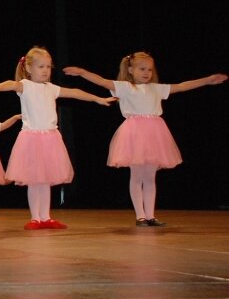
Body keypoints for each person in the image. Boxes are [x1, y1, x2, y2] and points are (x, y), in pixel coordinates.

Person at [64, 53, 226, 227]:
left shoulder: (156, 88)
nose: (146, 72)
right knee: (137, 175)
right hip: (134, 134)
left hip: (155, 134)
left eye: (149, 69)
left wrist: (207, 80)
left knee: (150, 177)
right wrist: (82, 72)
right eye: (142, 69)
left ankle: (150, 215)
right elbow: (102, 81)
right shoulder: (125, 87)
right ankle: (140, 215)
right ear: (130, 69)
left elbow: (181, 86)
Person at [0, 46, 116, 230]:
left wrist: (97, 99)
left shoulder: (52, 88)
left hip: (51, 139)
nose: (45, 70)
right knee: (34, 180)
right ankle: (35, 218)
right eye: (41, 67)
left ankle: (46, 217)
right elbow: (10, 84)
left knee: (45, 181)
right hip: (31, 139)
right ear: (29, 68)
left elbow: (75, 92)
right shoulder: (25, 86)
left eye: (48, 67)